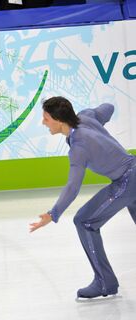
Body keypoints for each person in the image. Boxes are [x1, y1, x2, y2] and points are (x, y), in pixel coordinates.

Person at [30, 96, 136, 299]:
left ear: (59, 121)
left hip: (126, 182)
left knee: (84, 221)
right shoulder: (86, 116)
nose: (43, 123)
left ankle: (105, 283)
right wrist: (98, 120)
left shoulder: (79, 148)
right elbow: (108, 106)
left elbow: (73, 187)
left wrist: (53, 214)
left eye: (46, 118)